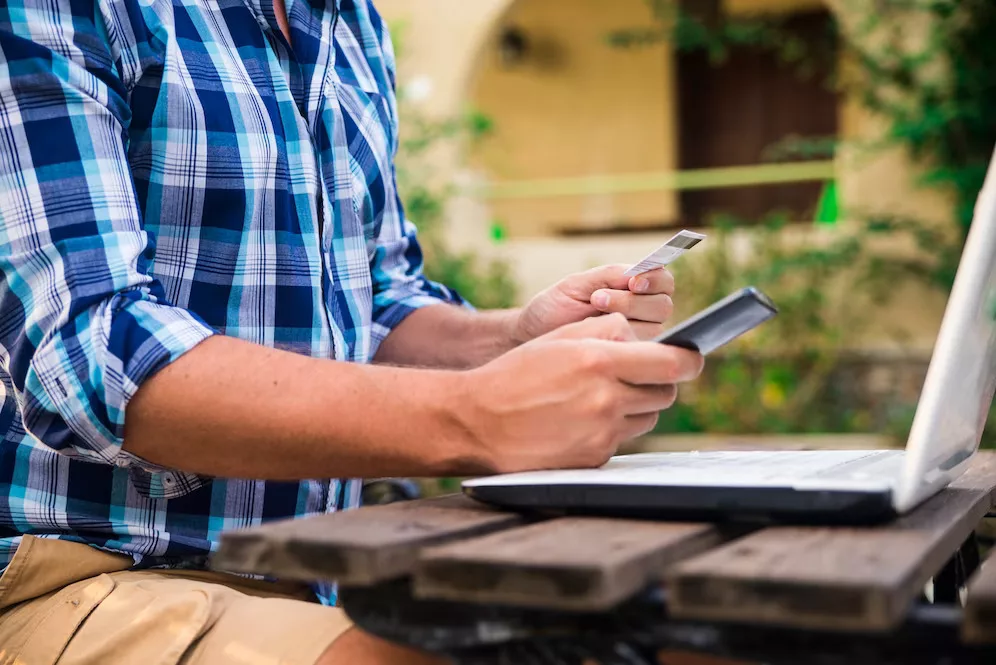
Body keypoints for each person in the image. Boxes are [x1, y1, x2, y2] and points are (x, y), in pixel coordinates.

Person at [0, 0, 706, 663]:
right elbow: (90, 356)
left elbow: (373, 307)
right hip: (75, 572)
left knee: (690, 638)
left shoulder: (351, 21)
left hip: (317, 574)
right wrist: (475, 415)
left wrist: (514, 343)